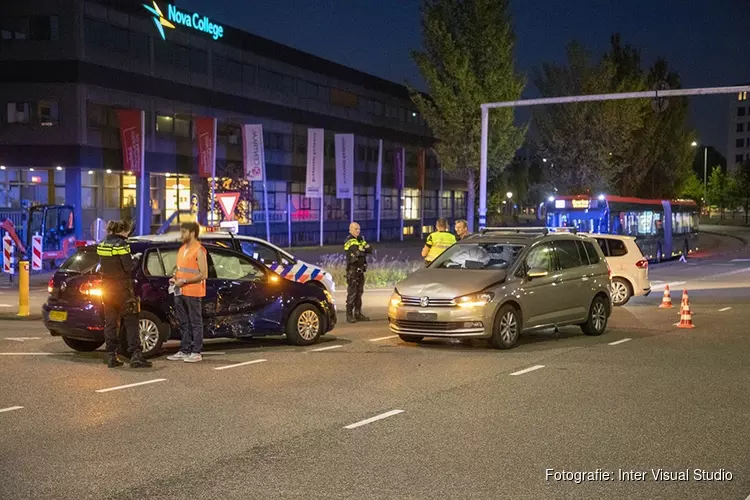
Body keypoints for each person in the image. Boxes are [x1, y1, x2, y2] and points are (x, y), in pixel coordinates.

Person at [97, 220, 152, 368]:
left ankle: (111, 356)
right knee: (131, 321)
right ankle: (136, 356)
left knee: (110, 323)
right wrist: (136, 259)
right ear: (123, 230)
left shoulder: (103, 244)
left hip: (107, 289)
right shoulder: (122, 245)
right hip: (122, 289)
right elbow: (128, 267)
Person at [167, 222, 208, 363]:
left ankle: (196, 351)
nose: (181, 234)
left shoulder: (199, 250)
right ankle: (185, 349)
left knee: (195, 322)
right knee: (183, 322)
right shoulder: (182, 249)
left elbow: (204, 274)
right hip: (179, 290)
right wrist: (175, 278)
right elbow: (180, 268)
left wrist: (184, 281)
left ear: (192, 233)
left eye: (184, 232)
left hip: (193, 291)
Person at [344, 221, 372, 323]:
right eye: (356, 229)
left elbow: (370, 250)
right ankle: (349, 315)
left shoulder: (360, 239)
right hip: (352, 271)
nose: (358, 231)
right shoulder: (349, 241)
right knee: (352, 293)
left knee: (359, 293)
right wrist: (363, 249)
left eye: (359, 229)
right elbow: (357, 252)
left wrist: (362, 250)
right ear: (350, 230)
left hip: (360, 271)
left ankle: (358, 313)